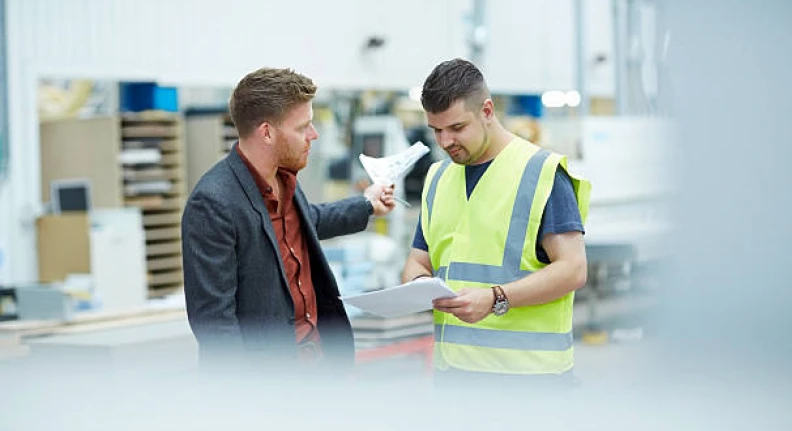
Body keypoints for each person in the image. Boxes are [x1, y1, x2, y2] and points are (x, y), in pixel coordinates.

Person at [183, 67, 396, 373]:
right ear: (267, 132)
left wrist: (366, 205)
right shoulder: (213, 203)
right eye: (303, 127)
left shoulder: (285, 180)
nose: (314, 135)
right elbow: (214, 324)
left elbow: (309, 220)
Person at [401, 58, 591, 387]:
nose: (445, 142)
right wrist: (419, 285)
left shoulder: (541, 173)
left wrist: (495, 298)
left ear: (487, 111)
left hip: (530, 383)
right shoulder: (438, 177)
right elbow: (420, 259)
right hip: (454, 378)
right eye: (437, 130)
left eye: (457, 128)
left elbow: (573, 268)